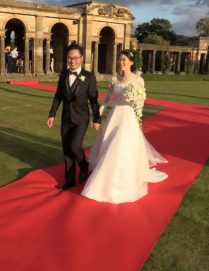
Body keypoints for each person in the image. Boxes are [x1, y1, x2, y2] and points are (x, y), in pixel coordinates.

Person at [81, 49, 168, 204]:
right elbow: (107, 100)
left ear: (131, 62)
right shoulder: (115, 80)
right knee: (110, 144)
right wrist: (99, 112)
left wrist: (137, 110)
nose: (121, 63)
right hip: (115, 116)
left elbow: (141, 101)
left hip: (129, 119)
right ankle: (108, 177)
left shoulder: (139, 80)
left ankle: (123, 181)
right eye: (120, 60)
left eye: (124, 60)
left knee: (122, 146)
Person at [47, 44, 101, 190]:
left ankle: (84, 166)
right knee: (67, 150)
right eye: (70, 58)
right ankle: (69, 180)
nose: (72, 61)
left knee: (74, 146)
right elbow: (58, 95)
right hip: (66, 118)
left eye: (76, 58)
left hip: (81, 119)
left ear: (82, 58)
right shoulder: (63, 74)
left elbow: (93, 99)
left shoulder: (89, 77)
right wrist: (52, 114)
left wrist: (97, 118)